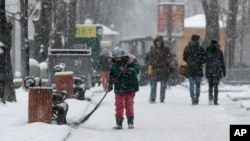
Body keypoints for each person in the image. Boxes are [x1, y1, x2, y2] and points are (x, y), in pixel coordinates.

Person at [107, 47, 140, 130]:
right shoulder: (114, 64)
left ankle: (130, 122)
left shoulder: (131, 60)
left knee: (129, 104)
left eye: (118, 58)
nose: (117, 60)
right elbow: (112, 75)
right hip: (119, 88)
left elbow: (136, 70)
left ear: (123, 56)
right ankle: (118, 123)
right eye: (115, 59)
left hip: (130, 87)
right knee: (119, 105)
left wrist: (127, 70)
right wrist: (110, 84)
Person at [148, 35, 173, 103]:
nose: (158, 43)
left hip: (163, 69)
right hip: (154, 69)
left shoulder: (166, 49)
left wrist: (168, 65)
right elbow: (149, 58)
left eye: (159, 41)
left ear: (162, 42)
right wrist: (150, 64)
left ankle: (162, 98)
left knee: (163, 85)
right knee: (153, 85)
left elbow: (169, 57)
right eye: (157, 41)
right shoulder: (152, 49)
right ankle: (152, 98)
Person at [183, 34, 206, 105]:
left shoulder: (187, 48)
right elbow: (204, 59)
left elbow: (184, 58)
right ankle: (197, 98)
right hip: (198, 69)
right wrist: (200, 61)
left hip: (190, 69)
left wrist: (189, 62)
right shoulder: (200, 48)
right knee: (198, 85)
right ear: (198, 40)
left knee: (191, 85)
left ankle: (193, 98)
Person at [205, 39, 226, 105]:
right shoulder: (219, 52)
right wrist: (223, 70)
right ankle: (215, 101)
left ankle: (210, 99)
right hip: (217, 71)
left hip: (209, 71)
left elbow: (205, 61)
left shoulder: (208, 51)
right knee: (216, 87)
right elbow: (222, 62)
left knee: (210, 86)